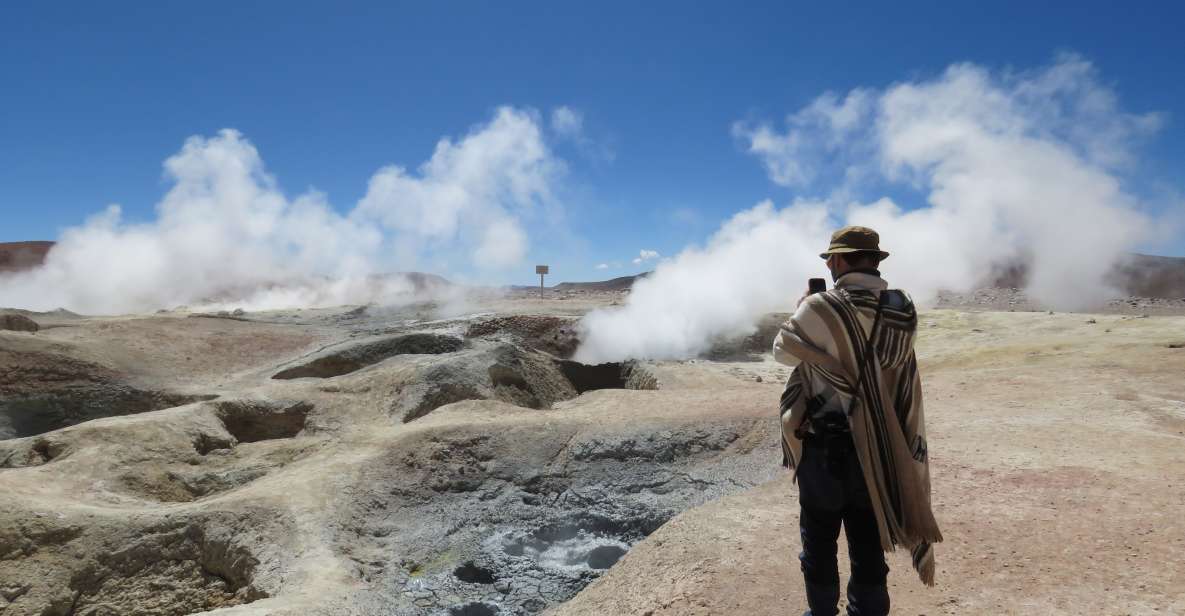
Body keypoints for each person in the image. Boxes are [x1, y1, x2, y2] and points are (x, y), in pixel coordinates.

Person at [773, 225, 942, 616]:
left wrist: (804, 307)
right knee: (868, 548)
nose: (828, 265)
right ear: (874, 260)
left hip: (824, 449)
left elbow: (783, 351)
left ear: (840, 260)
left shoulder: (821, 307)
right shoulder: (902, 308)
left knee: (818, 545)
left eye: (830, 258)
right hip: (879, 448)